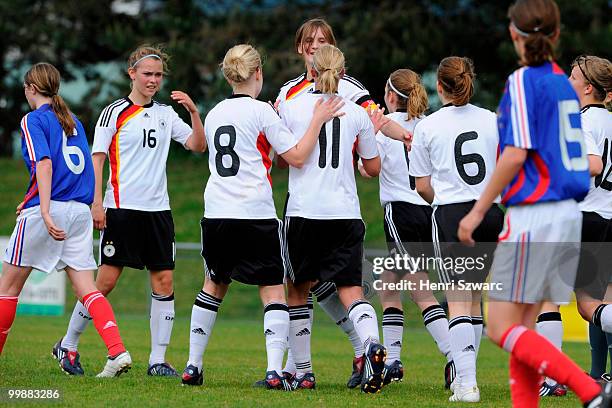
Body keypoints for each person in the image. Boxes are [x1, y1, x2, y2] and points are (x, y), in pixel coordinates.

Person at [458, 1, 612, 406]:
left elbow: (515, 154)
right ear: (556, 35)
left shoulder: (524, 81)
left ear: (513, 33)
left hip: (535, 215)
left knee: (499, 326)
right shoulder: (563, 82)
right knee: (524, 328)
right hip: (566, 215)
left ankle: (590, 388)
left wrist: (477, 212)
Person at [180, 44, 343, 389]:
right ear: (258, 74)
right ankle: (273, 371)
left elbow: (248, 150)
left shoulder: (214, 114)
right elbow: (296, 157)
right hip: (255, 212)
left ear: (228, 76)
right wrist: (316, 120)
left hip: (217, 212)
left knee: (213, 284)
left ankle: (193, 365)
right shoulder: (263, 112)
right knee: (273, 290)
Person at [273, 17, 409, 389]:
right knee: (348, 287)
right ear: (302, 48)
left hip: (304, 208)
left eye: (322, 40)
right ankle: (367, 344)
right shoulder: (340, 104)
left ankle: (301, 372)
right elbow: (373, 159)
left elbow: (283, 153)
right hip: (345, 209)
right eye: (311, 39)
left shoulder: (295, 103)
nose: (315, 44)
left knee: (297, 287)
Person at [54, 45, 205, 377]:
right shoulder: (114, 112)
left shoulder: (167, 114)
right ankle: (68, 344)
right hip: (121, 210)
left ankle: (158, 360)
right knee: (104, 282)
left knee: (164, 282)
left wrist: (194, 113)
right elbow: (98, 158)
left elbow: (197, 145)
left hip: (158, 212)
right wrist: (96, 203)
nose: (153, 80)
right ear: (132, 74)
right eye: (147, 74)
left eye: (158, 75)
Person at [0, 62, 131, 377]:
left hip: (51, 209)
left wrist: (43, 209)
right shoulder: (71, 120)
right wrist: (33, 198)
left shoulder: (33, 119)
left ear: (31, 89)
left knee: (7, 288)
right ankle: (117, 351)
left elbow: (44, 165)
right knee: (87, 288)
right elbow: (76, 168)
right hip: (78, 211)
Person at [410, 56, 503, 403]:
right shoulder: (492, 120)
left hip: (452, 214)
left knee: (459, 302)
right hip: (490, 213)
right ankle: (468, 377)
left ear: (440, 86)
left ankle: (466, 384)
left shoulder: (428, 126)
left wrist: (445, 201)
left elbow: (421, 186)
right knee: (474, 298)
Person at [358, 68, 453, 386]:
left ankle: (455, 356)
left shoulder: (386, 127)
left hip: (400, 213)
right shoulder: (428, 125)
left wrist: (365, 139)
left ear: (389, 95)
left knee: (420, 289)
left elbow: (368, 170)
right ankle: (394, 362)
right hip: (429, 212)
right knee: (388, 284)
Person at [569, 55, 612, 383]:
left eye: (572, 78)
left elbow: (593, 165)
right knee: (604, 301)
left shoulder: (583, 120)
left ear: (587, 88)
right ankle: (600, 374)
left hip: (589, 216)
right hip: (610, 215)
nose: (568, 83)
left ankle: (595, 372)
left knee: (588, 305)